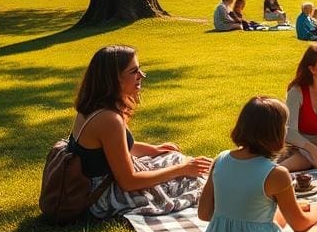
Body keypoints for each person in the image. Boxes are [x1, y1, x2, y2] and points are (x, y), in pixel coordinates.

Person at [198, 96, 317, 232]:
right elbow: (300, 225)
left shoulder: (220, 159)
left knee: (269, 214)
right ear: (277, 133)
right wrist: (315, 211)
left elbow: (204, 214)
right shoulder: (276, 174)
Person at [68, 45, 212, 217]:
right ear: (114, 78)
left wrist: (155, 150)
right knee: (195, 181)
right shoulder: (108, 119)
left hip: (107, 182)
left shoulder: (93, 107)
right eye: (134, 71)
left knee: (175, 158)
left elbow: (115, 149)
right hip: (106, 196)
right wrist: (182, 169)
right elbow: (128, 182)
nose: (141, 75)